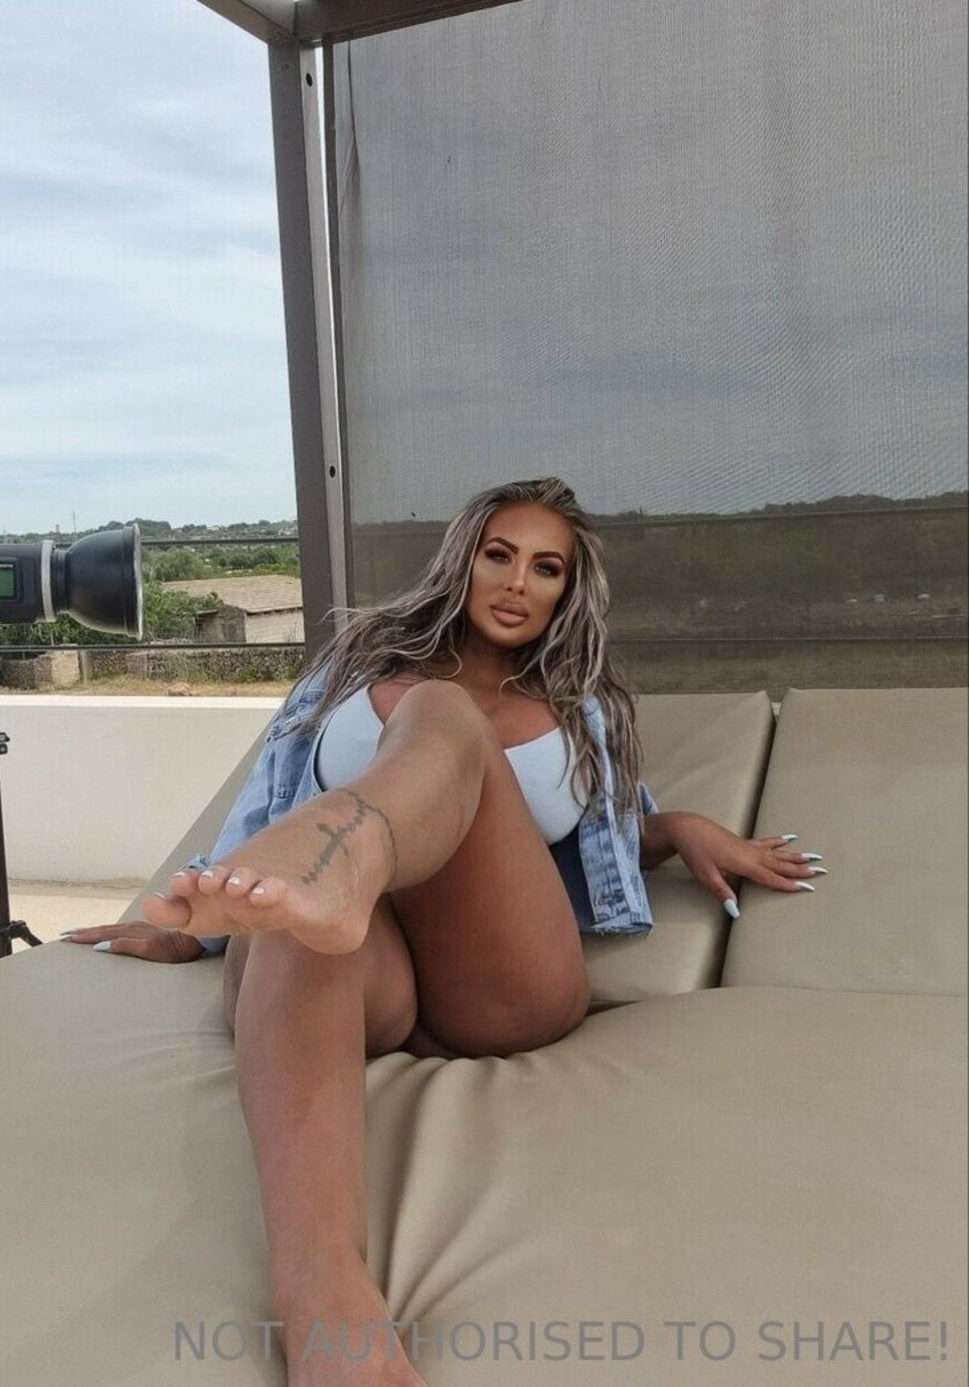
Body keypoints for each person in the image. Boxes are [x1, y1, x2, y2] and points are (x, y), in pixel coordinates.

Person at [63, 478, 823, 1387]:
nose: (518, 582)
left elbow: (607, 839)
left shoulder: (578, 708)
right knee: (300, 916)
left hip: (495, 980)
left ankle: (345, 852)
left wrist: (681, 828)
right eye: (500, 554)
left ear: (567, 590)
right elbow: (264, 801)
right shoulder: (350, 674)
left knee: (445, 714)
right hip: (355, 965)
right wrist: (196, 932)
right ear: (463, 558)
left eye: (546, 567)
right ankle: (321, 1291)